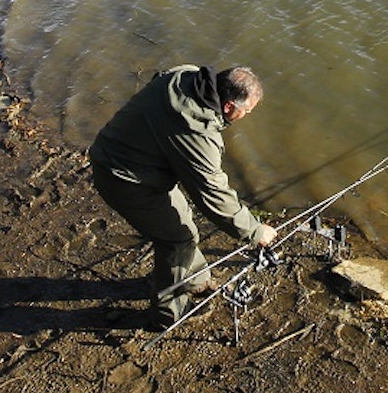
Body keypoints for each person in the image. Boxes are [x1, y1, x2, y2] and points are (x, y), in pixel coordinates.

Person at [89, 64, 277, 329]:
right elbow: (213, 193)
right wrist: (255, 231)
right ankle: (169, 314)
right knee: (176, 240)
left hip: (125, 155)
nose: (246, 115)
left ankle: (195, 280)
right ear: (228, 107)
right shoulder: (198, 132)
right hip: (122, 178)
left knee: (184, 221)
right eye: (246, 111)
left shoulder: (186, 74)